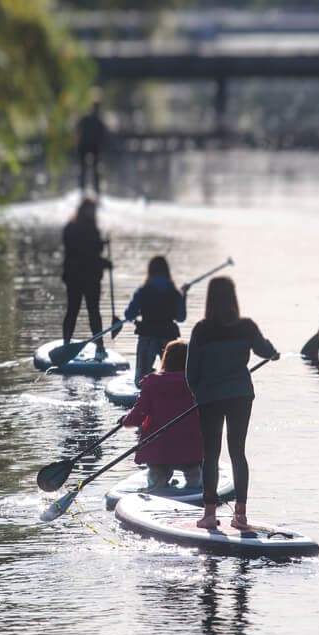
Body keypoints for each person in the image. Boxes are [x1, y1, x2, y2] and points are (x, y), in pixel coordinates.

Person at [186, 276, 279, 530]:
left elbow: (190, 372)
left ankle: (208, 514)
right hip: (240, 395)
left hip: (210, 398)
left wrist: (198, 395)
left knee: (211, 454)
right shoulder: (246, 327)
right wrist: (273, 353)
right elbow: (265, 349)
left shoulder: (202, 330)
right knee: (238, 452)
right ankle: (240, 515)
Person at [121, 340, 203, 489]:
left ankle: (158, 480)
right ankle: (194, 479)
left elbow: (136, 417)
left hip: (158, 450)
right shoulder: (198, 383)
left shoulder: (152, 382)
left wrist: (124, 421)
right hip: (191, 449)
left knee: (157, 473)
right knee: (194, 470)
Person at [124, 256, 187, 387]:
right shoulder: (175, 293)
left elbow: (129, 315)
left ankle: (148, 380)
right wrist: (183, 295)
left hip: (147, 336)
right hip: (168, 337)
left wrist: (138, 313)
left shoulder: (142, 291)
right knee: (174, 374)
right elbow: (181, 317)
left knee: (140, 380)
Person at [62, 197, 110, 360]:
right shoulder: (90, 229)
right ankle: (100, 346)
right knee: (91, 312)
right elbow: (89, 254)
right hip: (87, 278)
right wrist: (104, 261)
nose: (93, 213)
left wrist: (101, 245)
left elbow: (85, 250)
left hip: (75, 277)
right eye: (92, 210)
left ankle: (67, 343)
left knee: (75, 311)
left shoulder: (70, 227)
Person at [77, 97, 108, 194]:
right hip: (93, 146)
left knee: (84, 169)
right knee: (94, 168)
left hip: (85, 145)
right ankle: (95, 190)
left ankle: (83, 189)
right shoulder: (99, 120)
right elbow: (104, 135)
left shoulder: (86, 118)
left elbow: (77, 129)